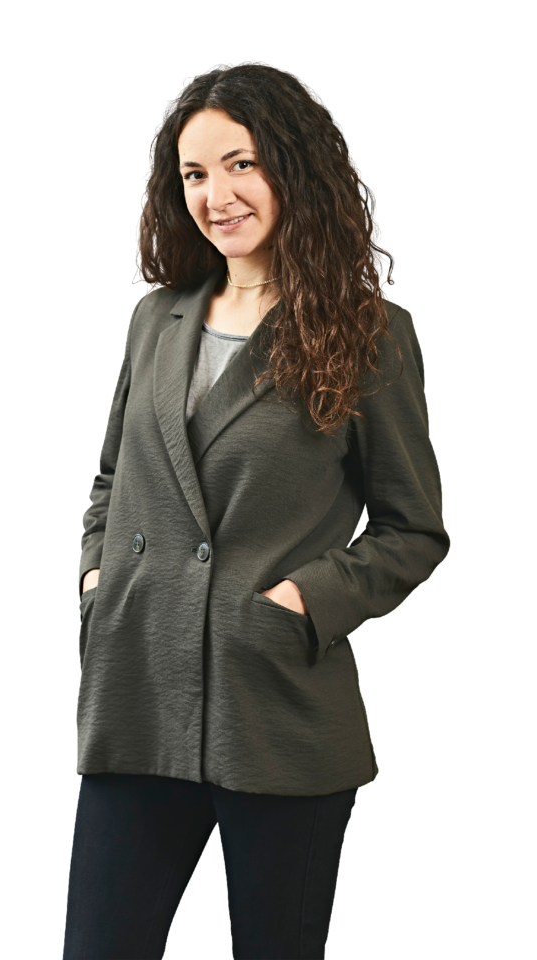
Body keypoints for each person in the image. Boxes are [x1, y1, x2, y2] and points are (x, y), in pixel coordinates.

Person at [63, 61, 450, 960]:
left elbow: (412, 530)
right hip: (136, 692)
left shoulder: (369, 331)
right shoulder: (155, 317)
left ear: (294, 167)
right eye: (194, 173)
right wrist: (98, 576)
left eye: (241, 164)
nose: (216, 195)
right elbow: (111, 476)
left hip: (276, 710)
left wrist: (300, 602)